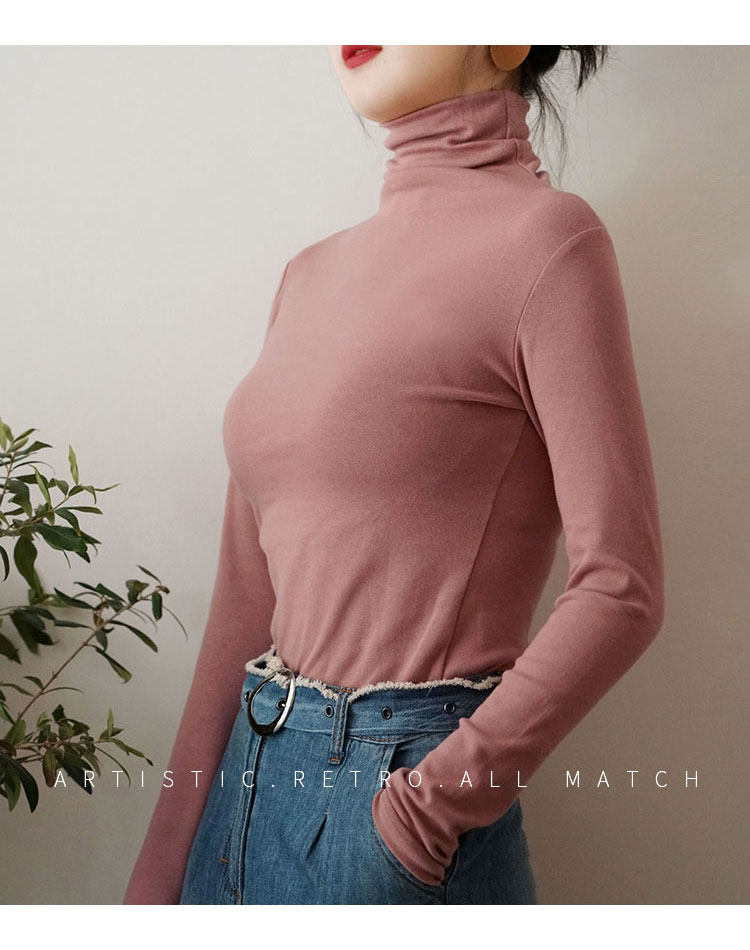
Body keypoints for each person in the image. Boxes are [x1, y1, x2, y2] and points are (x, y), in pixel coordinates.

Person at [124, 45, 664, 905]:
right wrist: (157, 877)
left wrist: (423, 814)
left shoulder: (550, 241)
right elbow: (241, 606)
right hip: (238, 800)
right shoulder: (305, 276)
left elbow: (622, 588)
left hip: (394, 808)